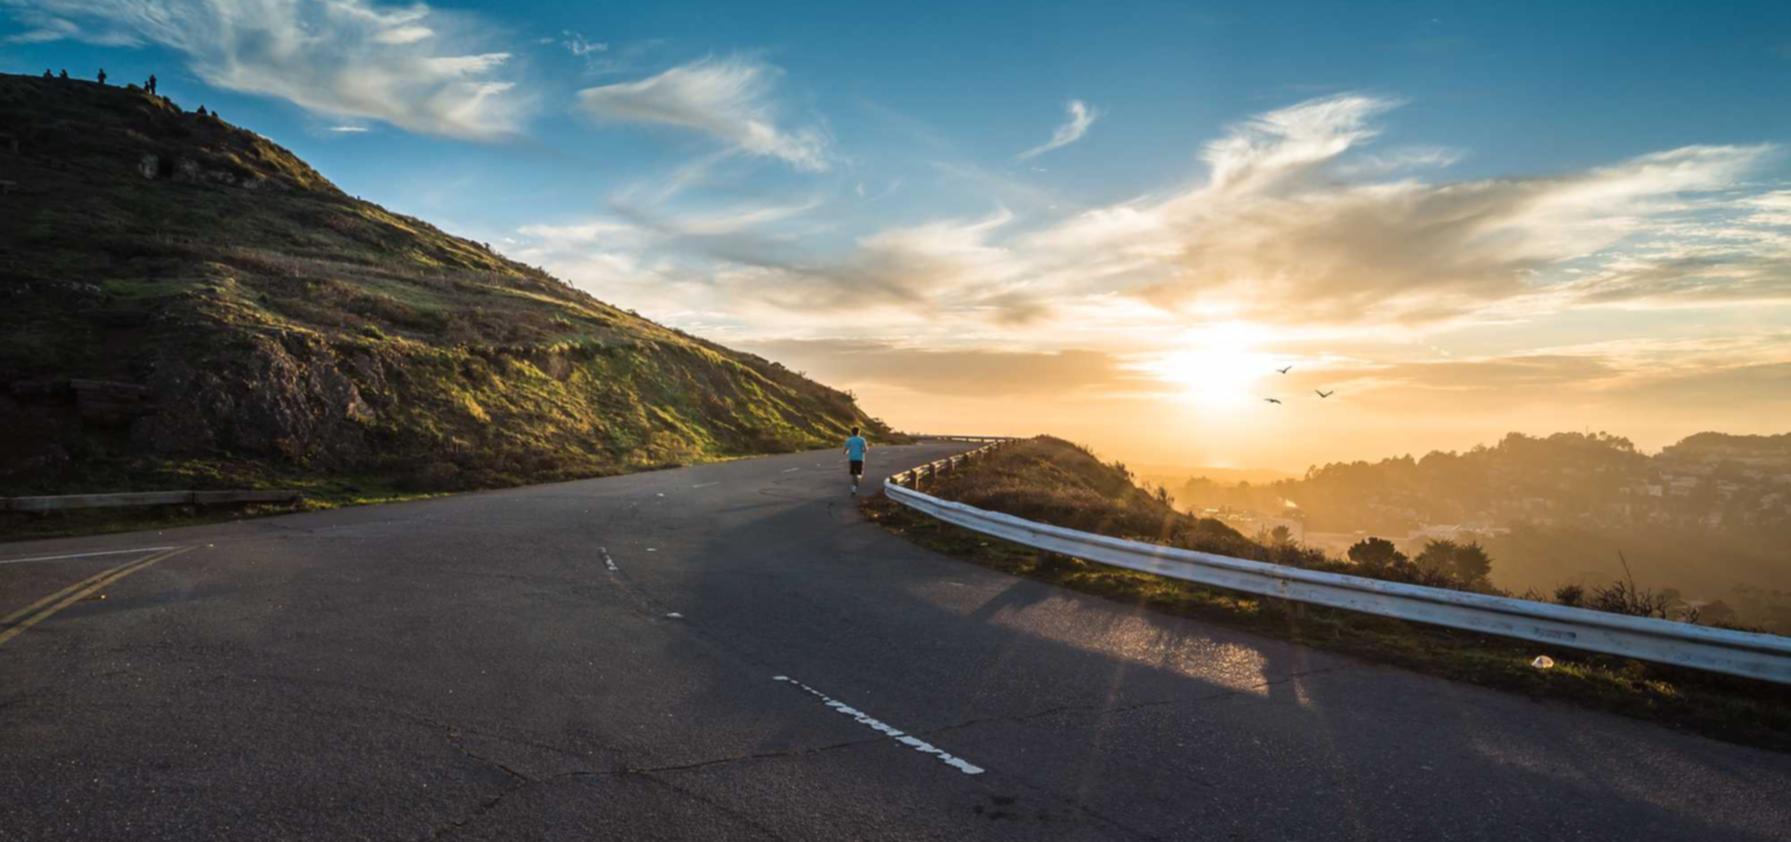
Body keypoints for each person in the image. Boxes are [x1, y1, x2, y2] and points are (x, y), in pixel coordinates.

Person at [844, 426, 868, 496]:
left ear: (852, 432)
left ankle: (853, 489)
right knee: (860, 473)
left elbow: (846, 450)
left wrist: (846, 452)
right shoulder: (862, 439)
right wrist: (863, 450)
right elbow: (866, 449)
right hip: (860, 459)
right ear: (859, 432)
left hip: (852, 459)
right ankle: (858, 479)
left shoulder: (849, 440)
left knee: (853, 475)